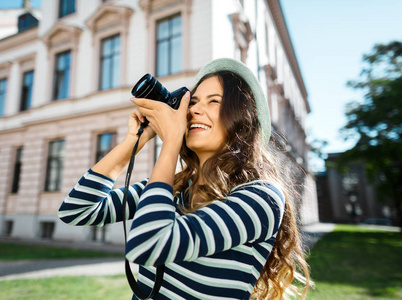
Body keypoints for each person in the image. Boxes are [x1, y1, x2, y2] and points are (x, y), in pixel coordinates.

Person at [58, 58, 311, 299]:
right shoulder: (176, 188)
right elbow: (77, 210)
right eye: (194, 101)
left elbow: (150, 244)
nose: (194, 110)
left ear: (242, 119)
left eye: (213, 101)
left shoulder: (262, 198)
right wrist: (135, 140)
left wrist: (170, 141)